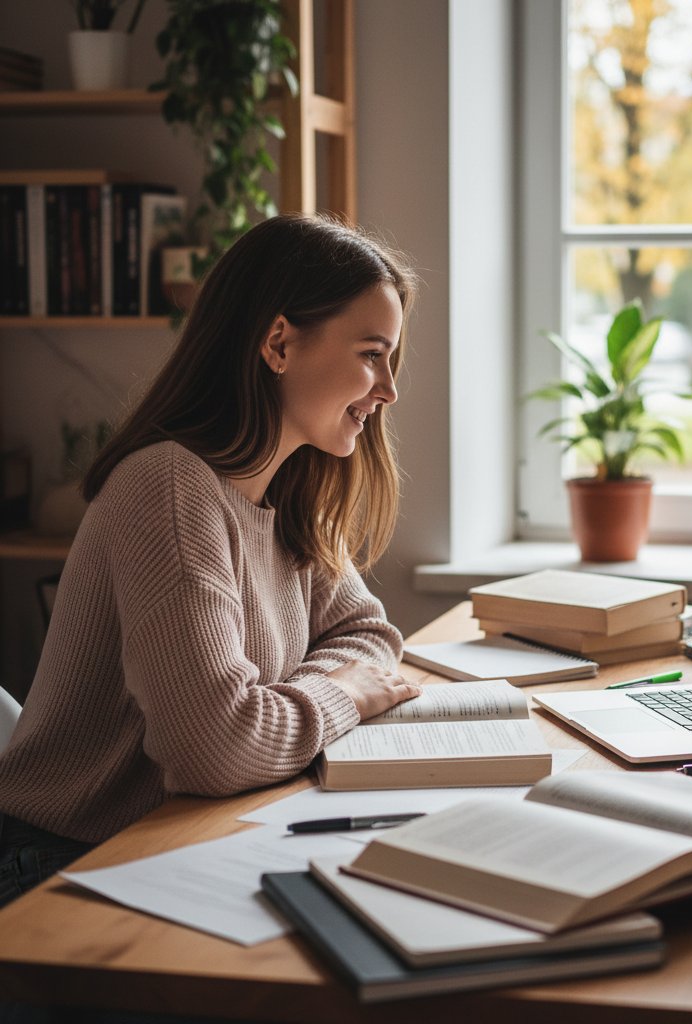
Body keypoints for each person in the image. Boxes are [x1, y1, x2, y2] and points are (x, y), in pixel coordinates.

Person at [0, 214, 423, 910]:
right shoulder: (169, 487)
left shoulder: (287, 492)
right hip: (64, 868)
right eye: (372, 354)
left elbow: (369, 640)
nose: (388, 390)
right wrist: (342, 693)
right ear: (279, 342)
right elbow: (216, 748)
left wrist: (290, 703)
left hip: (184, 838)